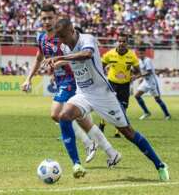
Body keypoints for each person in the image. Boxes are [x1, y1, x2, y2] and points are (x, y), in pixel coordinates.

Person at [42, 18, 169, 181]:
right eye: (59, 37)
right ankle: (76, 165)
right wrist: (59, 64)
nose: (61, 41)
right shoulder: (64, 45)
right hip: (83, 93)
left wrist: (61, 59)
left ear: (72, 31)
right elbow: (72, 60)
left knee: (128, 132)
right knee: (64, 116)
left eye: (63, 36)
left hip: (103, 94)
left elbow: (86, 55)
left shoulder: (88, 39)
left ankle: (160, 165)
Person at [21, 5, 119, 178]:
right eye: (43, 18)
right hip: (61, 81)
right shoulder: (42, 38)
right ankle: (111, 153)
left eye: (49, 18)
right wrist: (28, 78)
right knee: (82, 120)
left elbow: (77, 55)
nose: (46, 21)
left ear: (56, 17)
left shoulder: (63, 36)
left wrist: (61, 63)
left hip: (74, 80)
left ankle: (89, 143)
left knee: (56, 114)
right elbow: (39, 58)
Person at [98, 33, 139, 138]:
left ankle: (118, 132)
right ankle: (102, 125)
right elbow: (100, 66)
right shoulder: (110, 54)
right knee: (108, 107)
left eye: (124, 41)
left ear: (127, 43)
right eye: (120, 41)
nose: (121, 43)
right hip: (112, 84)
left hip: (125, 86)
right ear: (117, 42)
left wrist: (135, 76)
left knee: (123, 109)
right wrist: (101, 77)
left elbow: (138, 71)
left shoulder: (132, 56)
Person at [133, 46, 171, 120]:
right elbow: (140, 71)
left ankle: (167, 115)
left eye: (142, 53)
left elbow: (149, 72)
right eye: (139, 53)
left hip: (152, 82)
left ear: (144, 53)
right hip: (145, 81)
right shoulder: (139, 61)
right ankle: (146, 112)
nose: (140, 55)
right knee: (137, 96)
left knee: (157, 99)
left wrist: (138, 77)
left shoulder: (147, 60)